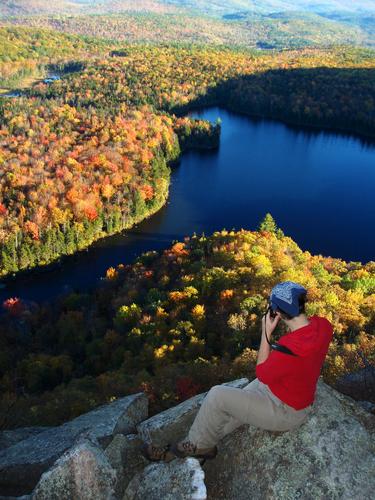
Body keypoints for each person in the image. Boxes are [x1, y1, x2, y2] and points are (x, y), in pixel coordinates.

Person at [142, 281, 334, 462]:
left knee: (217, 396)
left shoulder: (290, 348)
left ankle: (197, 448)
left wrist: (266, 332)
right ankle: (198, 443)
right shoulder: (324, 326)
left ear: (277, 312)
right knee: (227, 408)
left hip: (285, 411)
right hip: (285, 390)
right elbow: (292, 363)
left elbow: (262, 373)